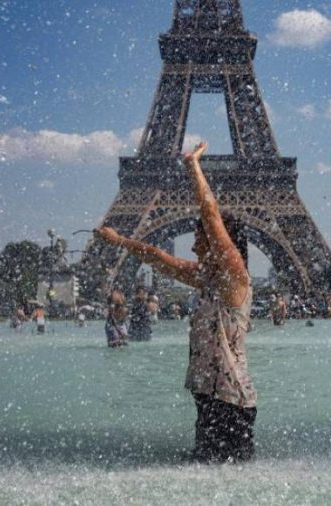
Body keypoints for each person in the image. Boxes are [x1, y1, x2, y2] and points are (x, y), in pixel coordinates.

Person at [95, 142, 257, 462]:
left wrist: (192, 165)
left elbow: (210, 215)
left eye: (199, 239)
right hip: (210, 396)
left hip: (231, 400)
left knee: (228, 476)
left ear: (218, 244)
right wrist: (119, 240)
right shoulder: (209, 279)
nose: (194, 247)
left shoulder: (234, 277)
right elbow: (159, 258)